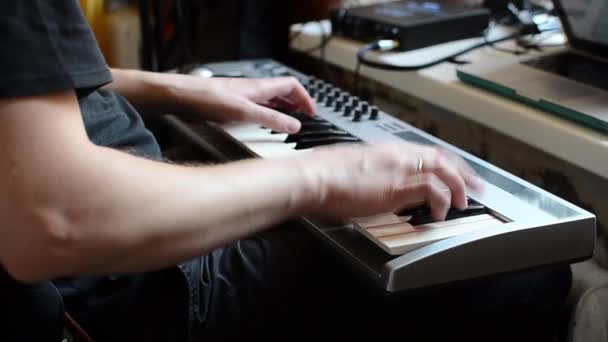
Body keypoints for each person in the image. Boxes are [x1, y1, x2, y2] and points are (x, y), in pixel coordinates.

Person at [0, 2, 572, 341]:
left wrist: (183, 89)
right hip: (129, 295)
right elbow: (57, 222)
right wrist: (323, 177)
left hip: (117, 239)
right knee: (522, 273)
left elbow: (32, 81)